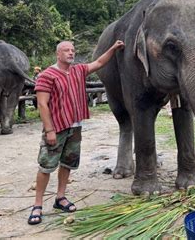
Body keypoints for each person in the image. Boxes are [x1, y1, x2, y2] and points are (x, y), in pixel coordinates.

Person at [27, 40, 124, 225]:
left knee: (67, 163)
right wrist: (49, 130)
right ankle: (37, 205)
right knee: (46, 166)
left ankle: (60, 198)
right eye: (66, 50)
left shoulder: (78, 70)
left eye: (72, 50)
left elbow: (100, 63)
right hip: (56, 127)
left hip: (75, 126)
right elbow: (42, 104)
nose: (71, 53)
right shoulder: (47, 75)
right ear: (58, 54)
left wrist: (112, 48)